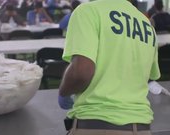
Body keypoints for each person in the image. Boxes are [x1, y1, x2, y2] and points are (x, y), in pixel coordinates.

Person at [58, 0, 160, 135]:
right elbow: (149, 75)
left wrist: (64, 91)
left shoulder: (88, 11)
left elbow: (80, 73)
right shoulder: (147, 25)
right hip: (141, 127)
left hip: (96, 123)